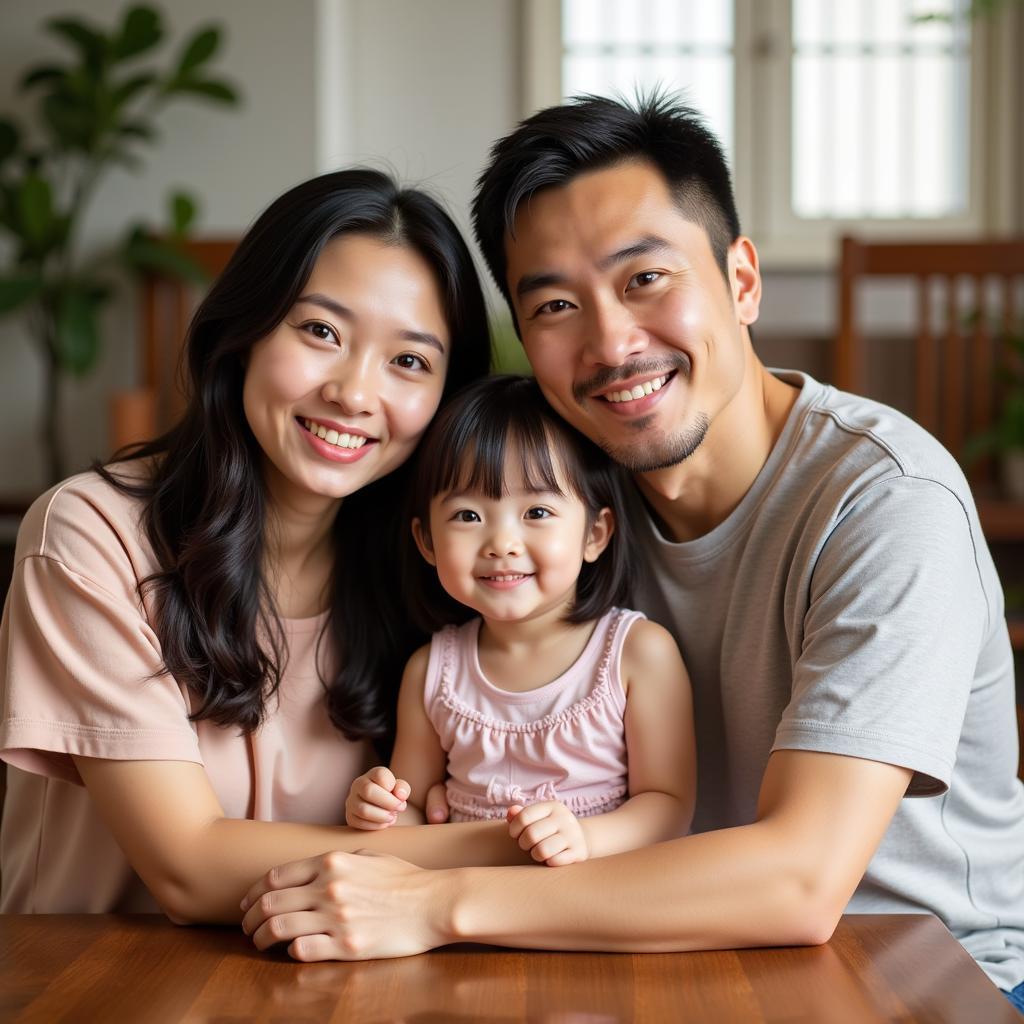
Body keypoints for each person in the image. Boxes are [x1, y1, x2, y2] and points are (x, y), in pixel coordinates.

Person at [239, 94, 1024, 1006]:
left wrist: (434, 902)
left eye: (645, 279)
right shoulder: (559, 512)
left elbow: (802, 883)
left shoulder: (885, 499)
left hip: (917, 981)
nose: (611, 342)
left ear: (741, 281)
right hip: (665, 962)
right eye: (558, 305)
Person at [0, 168, 504, 920]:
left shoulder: (432, 570)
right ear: (244, 333)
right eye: (321, 331)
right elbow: (188, 866)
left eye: (409, 361)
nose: (355, 393)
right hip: (98, 986)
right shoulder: (89, 536)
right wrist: (511, 848)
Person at [344, 374, 695, 866]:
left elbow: (668, 805)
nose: (501, 543)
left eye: (536, 511)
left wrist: (587, 839)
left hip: (597, 908)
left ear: (595, 533)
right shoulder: (431, 672)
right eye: (468, 516)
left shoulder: (636, 653)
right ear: (426, 542)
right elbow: (418, 810)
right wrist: (382, 811)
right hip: (459, 914)